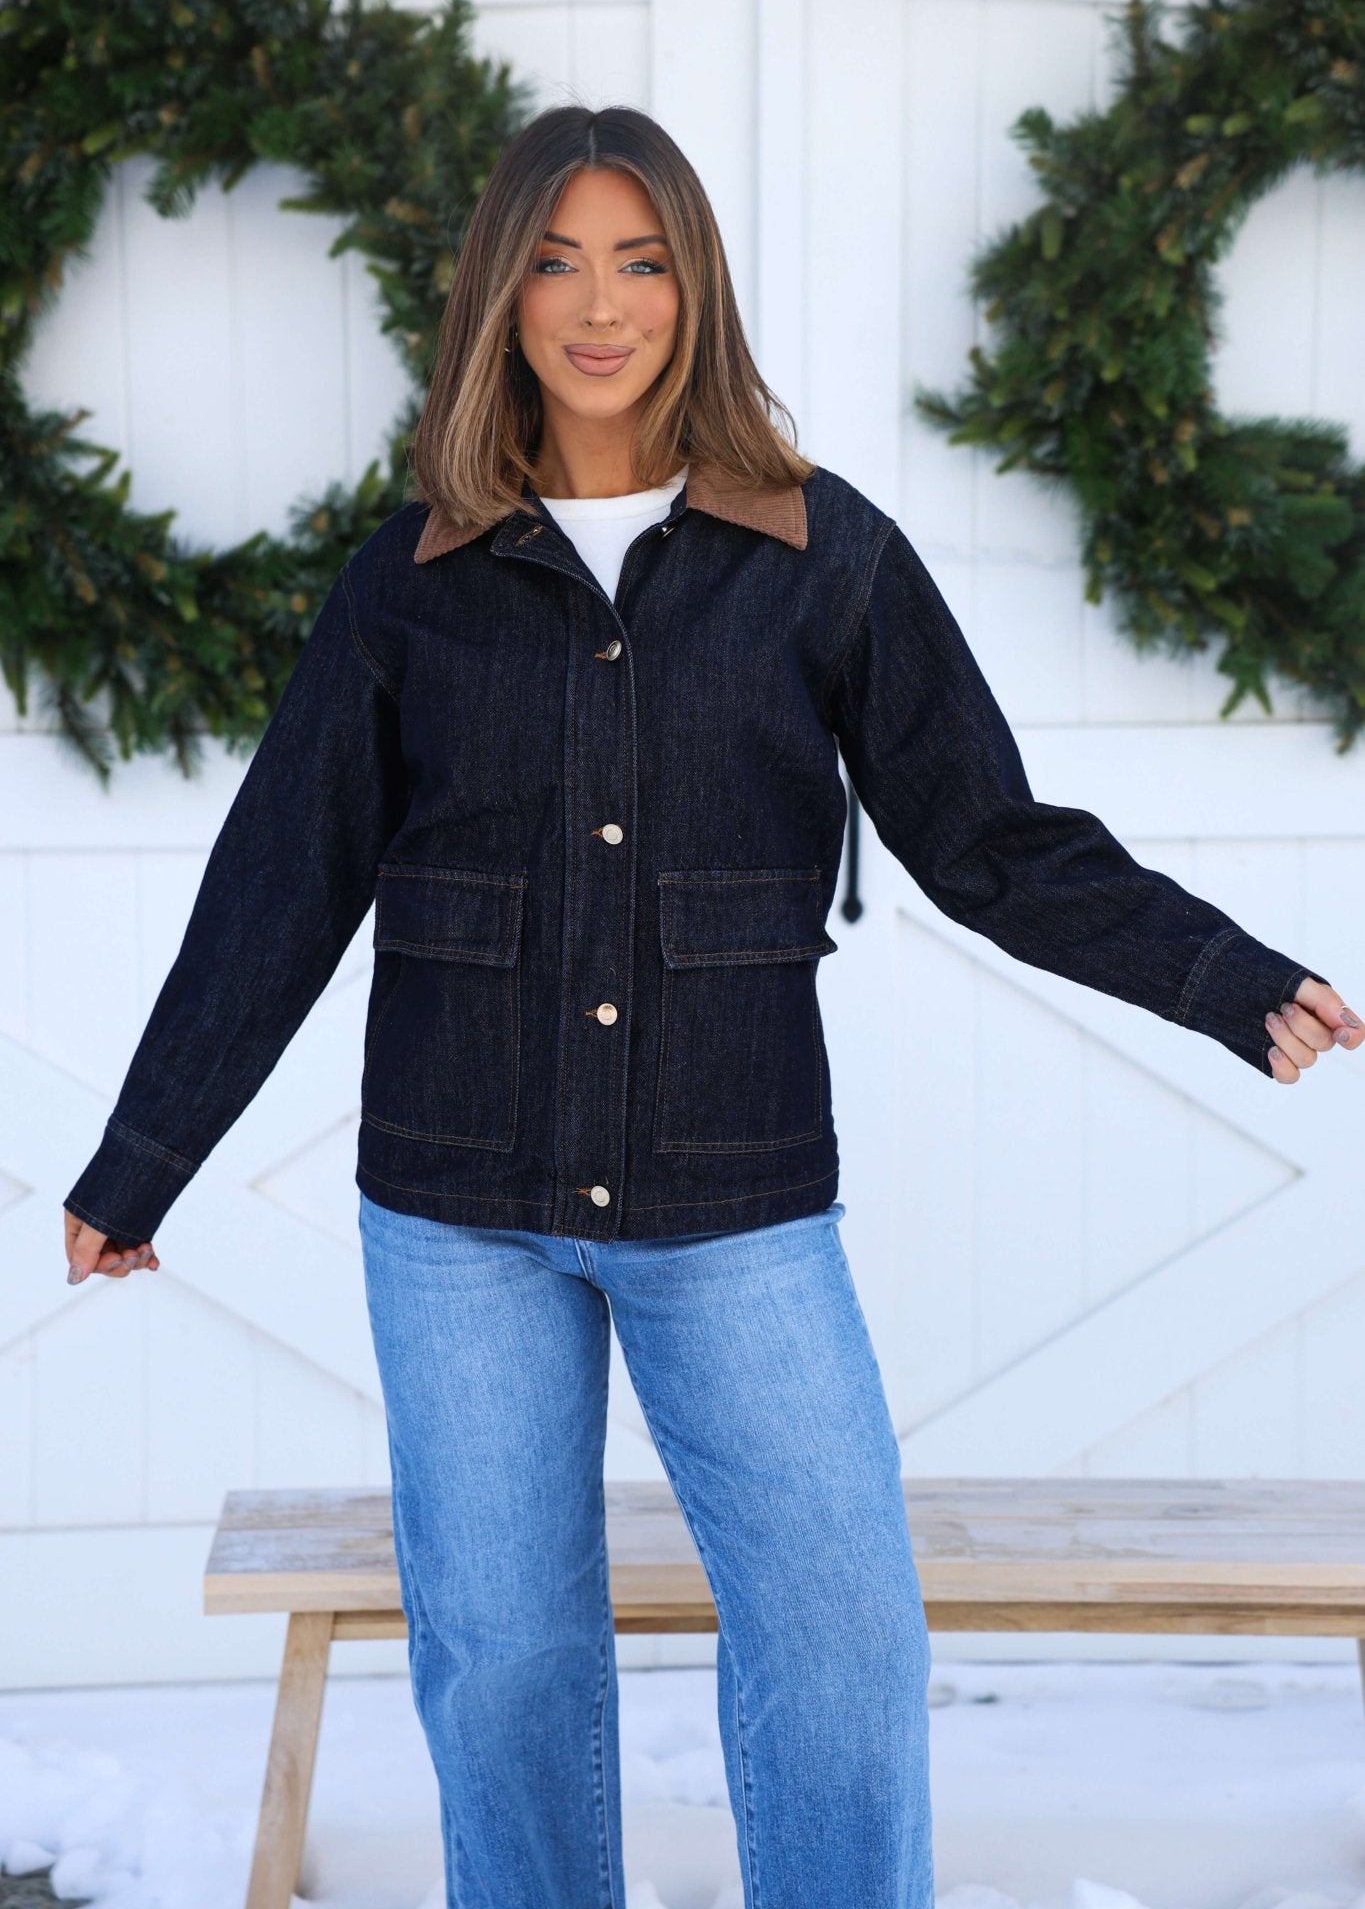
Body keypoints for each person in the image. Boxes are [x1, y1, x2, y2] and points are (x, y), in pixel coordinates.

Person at [63, 104, 1360, 1909]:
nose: (602, 306)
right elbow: (280, 878)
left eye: (643, 259)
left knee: (839, 1642)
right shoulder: (411, 581)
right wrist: (142, 1161)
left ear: (696, 287)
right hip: (455, 1207)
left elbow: (985, 838)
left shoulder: (821, 556)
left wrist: (1222, 977)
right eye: (557, 260)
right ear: (498, 297)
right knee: (502, 1663)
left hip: (732, 1192)